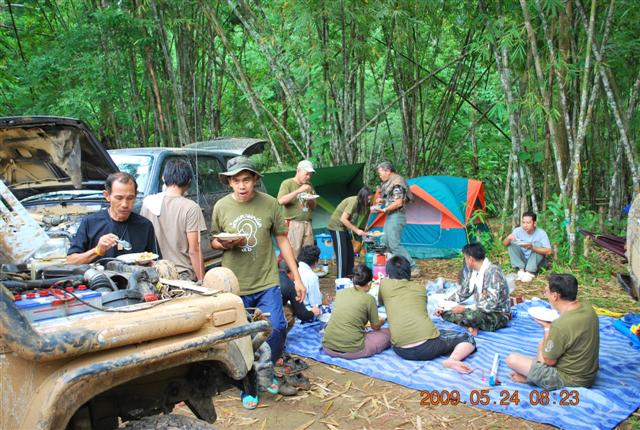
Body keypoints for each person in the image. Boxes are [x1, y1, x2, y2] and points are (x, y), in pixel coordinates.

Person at [210, 156, 306, 405]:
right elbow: (213, 240)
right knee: (241, 337)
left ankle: (266, 370)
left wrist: (297, 277)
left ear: (254, 180)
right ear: (229, 182)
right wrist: (224, 243)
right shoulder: (221, 206)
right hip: (234, 283)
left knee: (277, 327)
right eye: (236, 181)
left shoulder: (270, 204)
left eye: (246, 179)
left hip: (266, 280)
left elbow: (282, 239)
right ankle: (249, 386)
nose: (241, 186)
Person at [379, 256, 476, 373]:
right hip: (428, 347)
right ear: (408, 271)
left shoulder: (384, 285)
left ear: (388, 273)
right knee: (467, 338)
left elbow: (381, 303)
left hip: (400, 350)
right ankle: (452, 359)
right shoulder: (420, 288)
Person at [506, 274, 599, 390]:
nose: (546, 296)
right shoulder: (588, 308)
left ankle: (533, 379)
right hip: (588, 374)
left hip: (571, 380)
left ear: (555, 296)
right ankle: (534, 375)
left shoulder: (560, 326)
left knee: (512, 360)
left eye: (546, 292)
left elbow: (549, 361)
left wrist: (547, 328)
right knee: (543, 344)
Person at [67, 172, 158, 264]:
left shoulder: (145, 225)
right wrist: (97, 250)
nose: (125, 204)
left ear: (136, 196)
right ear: (107, 196)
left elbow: (155, 260)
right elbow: (71, 261)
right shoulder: (90, 223)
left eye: (130, 198)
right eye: (119, 198)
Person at [140, 159, 206, 281]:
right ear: (189, 181)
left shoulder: (147, 203)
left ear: (163, 178)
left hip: (154, 274)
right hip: (182, 275)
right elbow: (194, 250)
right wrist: (203, 281)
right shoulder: (191, 207)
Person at [436, 243, 511, 336]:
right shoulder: (474, 272)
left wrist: (465, 309)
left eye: (465, 258)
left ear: (470, 259)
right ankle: (471, 327)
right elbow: (463, 293)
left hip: (497, 314)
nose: (465, 261)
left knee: (471, 316)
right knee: (446, 313)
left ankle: (470, 326)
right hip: (478, 309)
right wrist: (443, 305)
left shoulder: (493, 272)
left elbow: (490, 305)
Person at [323, 264, 391, 359]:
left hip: (328, 347)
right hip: (353, 350)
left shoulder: (341, 292)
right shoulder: (369, 299)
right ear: (369, 284)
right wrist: (381, 321)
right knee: (389, 334)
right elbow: (375, 327)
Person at [372, 161, 419, 278]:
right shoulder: (389, 182)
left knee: (394, 244)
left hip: (397, 215)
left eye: (380, 173)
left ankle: (413, 267)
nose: (380, 176)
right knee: (385, 241)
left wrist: (383, 209)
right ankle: (390, 267)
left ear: (388, 171)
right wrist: (382, 201)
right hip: (391, 215)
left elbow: (398, 202)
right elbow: (392, 199)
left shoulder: (397, 182)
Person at [328, 186, 373, 278]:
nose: (368, 201)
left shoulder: (360, 204)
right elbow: (343, 219)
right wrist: (357, 230)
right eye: (368, 199)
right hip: (336, 227)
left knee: (349, 254)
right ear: (363, 196)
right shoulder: (354, 201)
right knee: (342, 255)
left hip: (344, 228)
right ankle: (341, 279)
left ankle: (349, 276)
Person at [277, 160, 317, 258]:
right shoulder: (287, 183)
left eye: (310, 175)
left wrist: (310, 200)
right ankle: (292, 268)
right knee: (293, 254)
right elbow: (281, 201)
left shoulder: (309, 185)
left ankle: (305, 268)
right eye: (306, 174)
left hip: (308, 224)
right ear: (298, 171)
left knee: (308, 254)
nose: (308, 177)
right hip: (293, 224)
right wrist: (299, 190)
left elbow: (313, 207)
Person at [503, 211, 552, 282]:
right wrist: (508, 238)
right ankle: (521, 270)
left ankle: (529, 272)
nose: (525, 225)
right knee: (511, 243)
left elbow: (549, 251)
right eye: (523, 222)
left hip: (536, 262)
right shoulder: (517, 231)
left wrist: (533, 248)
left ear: (534, 223)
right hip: (523, 260)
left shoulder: (541, 233)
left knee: (538, 245)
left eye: (528, 223)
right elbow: (505, 244)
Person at [279, 261, 319, 331]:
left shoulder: (271, 276)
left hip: (260, 306)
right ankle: (283, 334)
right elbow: (302, 314)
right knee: (288, 311)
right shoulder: (290, 285)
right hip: (270, 315)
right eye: (297, 272)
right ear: (291, 272)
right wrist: (312, 312)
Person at [297, 245, 324, 311]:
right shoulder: (311, 276)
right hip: (304, 310)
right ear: (316, 261)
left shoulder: (294, 269)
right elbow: (315, 303)